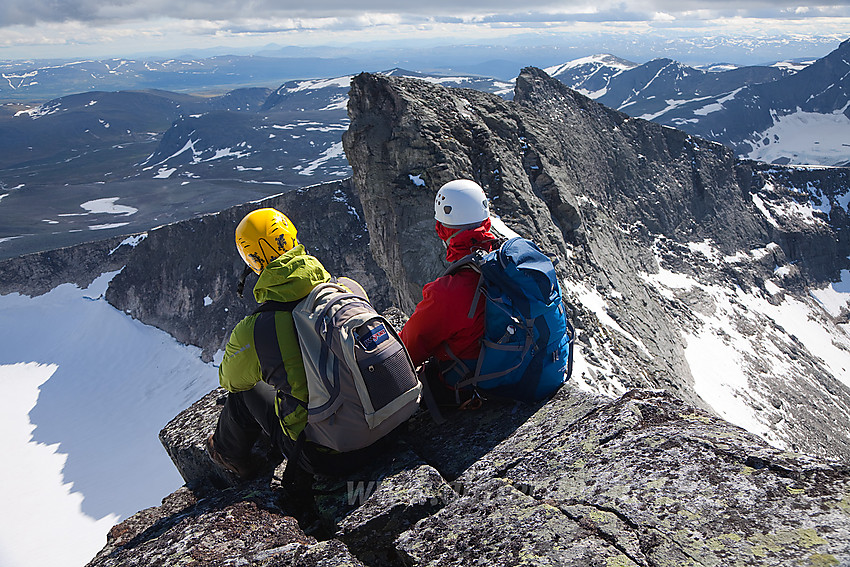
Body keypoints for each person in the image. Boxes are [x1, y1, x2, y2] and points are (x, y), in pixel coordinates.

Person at [206, 207, 389, 480]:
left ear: (253, 260)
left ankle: (231, 458)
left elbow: (231, 380)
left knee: (245, 392)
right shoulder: (347, 288)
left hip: (331, 453)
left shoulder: (256, 330)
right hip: (389, 422)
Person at [400, 179, 500, 405]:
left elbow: (408, 350)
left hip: (470, 387)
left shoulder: (447, 293)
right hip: (524, 367)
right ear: (487, 222)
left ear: (440, 229)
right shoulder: (509, 262)